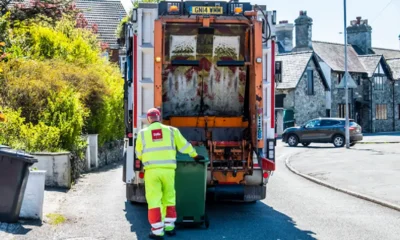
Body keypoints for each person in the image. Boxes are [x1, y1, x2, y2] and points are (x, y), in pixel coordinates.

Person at [135, 108, 205, 239]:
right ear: (160, 117)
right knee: (169, 198)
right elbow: (184, 146)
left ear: (149, 119)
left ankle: (157, 231)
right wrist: (195, 155)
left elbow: (138, 154)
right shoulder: (172, 131)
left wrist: (144, 158)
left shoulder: (142, 134)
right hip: (168, 171)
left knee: (154, 200)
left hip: (152, 171)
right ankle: (170, 227)